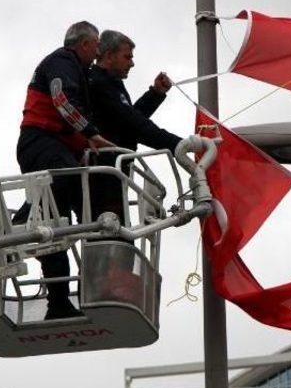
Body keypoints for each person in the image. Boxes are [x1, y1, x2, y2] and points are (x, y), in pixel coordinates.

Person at [16, 21, 113, 320]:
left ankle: (58, 302)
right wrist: (90, 133)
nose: (98, 53)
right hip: (40, 143)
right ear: (84, 44)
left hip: (55, 148)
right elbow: (60, 98)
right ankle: (23, 217)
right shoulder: (61, 62)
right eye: (96, 46)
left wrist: (80, 147)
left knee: (58, 226)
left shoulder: (79, 71)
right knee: (58, 196)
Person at [87, 30, 182, 222]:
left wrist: (155, 93)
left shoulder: (108, 84)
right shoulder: (99, 83)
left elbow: (127, 120)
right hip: (103, 174)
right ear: (109, 56)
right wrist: (181, 146)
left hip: (110, 172)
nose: (132, 63)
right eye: (127, 57)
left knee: (112, 236)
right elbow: (133, 123)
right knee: (110, 236)